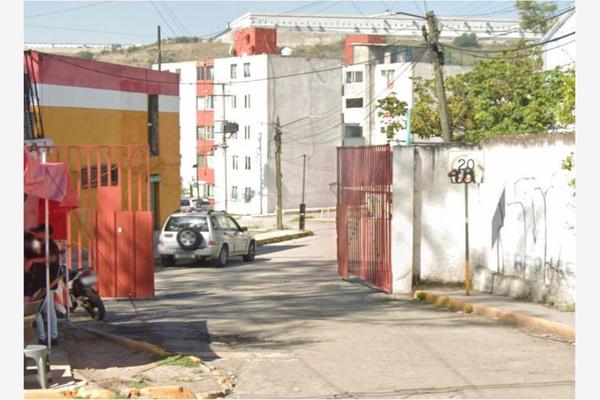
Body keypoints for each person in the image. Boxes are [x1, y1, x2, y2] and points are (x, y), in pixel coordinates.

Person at [30, 224, 62, 346]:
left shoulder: (51, 245)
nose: (36, 235)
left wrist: (32, 260)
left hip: (46, 283)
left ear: (44, 233)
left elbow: (51, 259)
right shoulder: (44, 245)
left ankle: (43, 337)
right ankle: (52, 336)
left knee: (36, 310)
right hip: (43, 283)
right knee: (48, 310)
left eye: (38, 232)